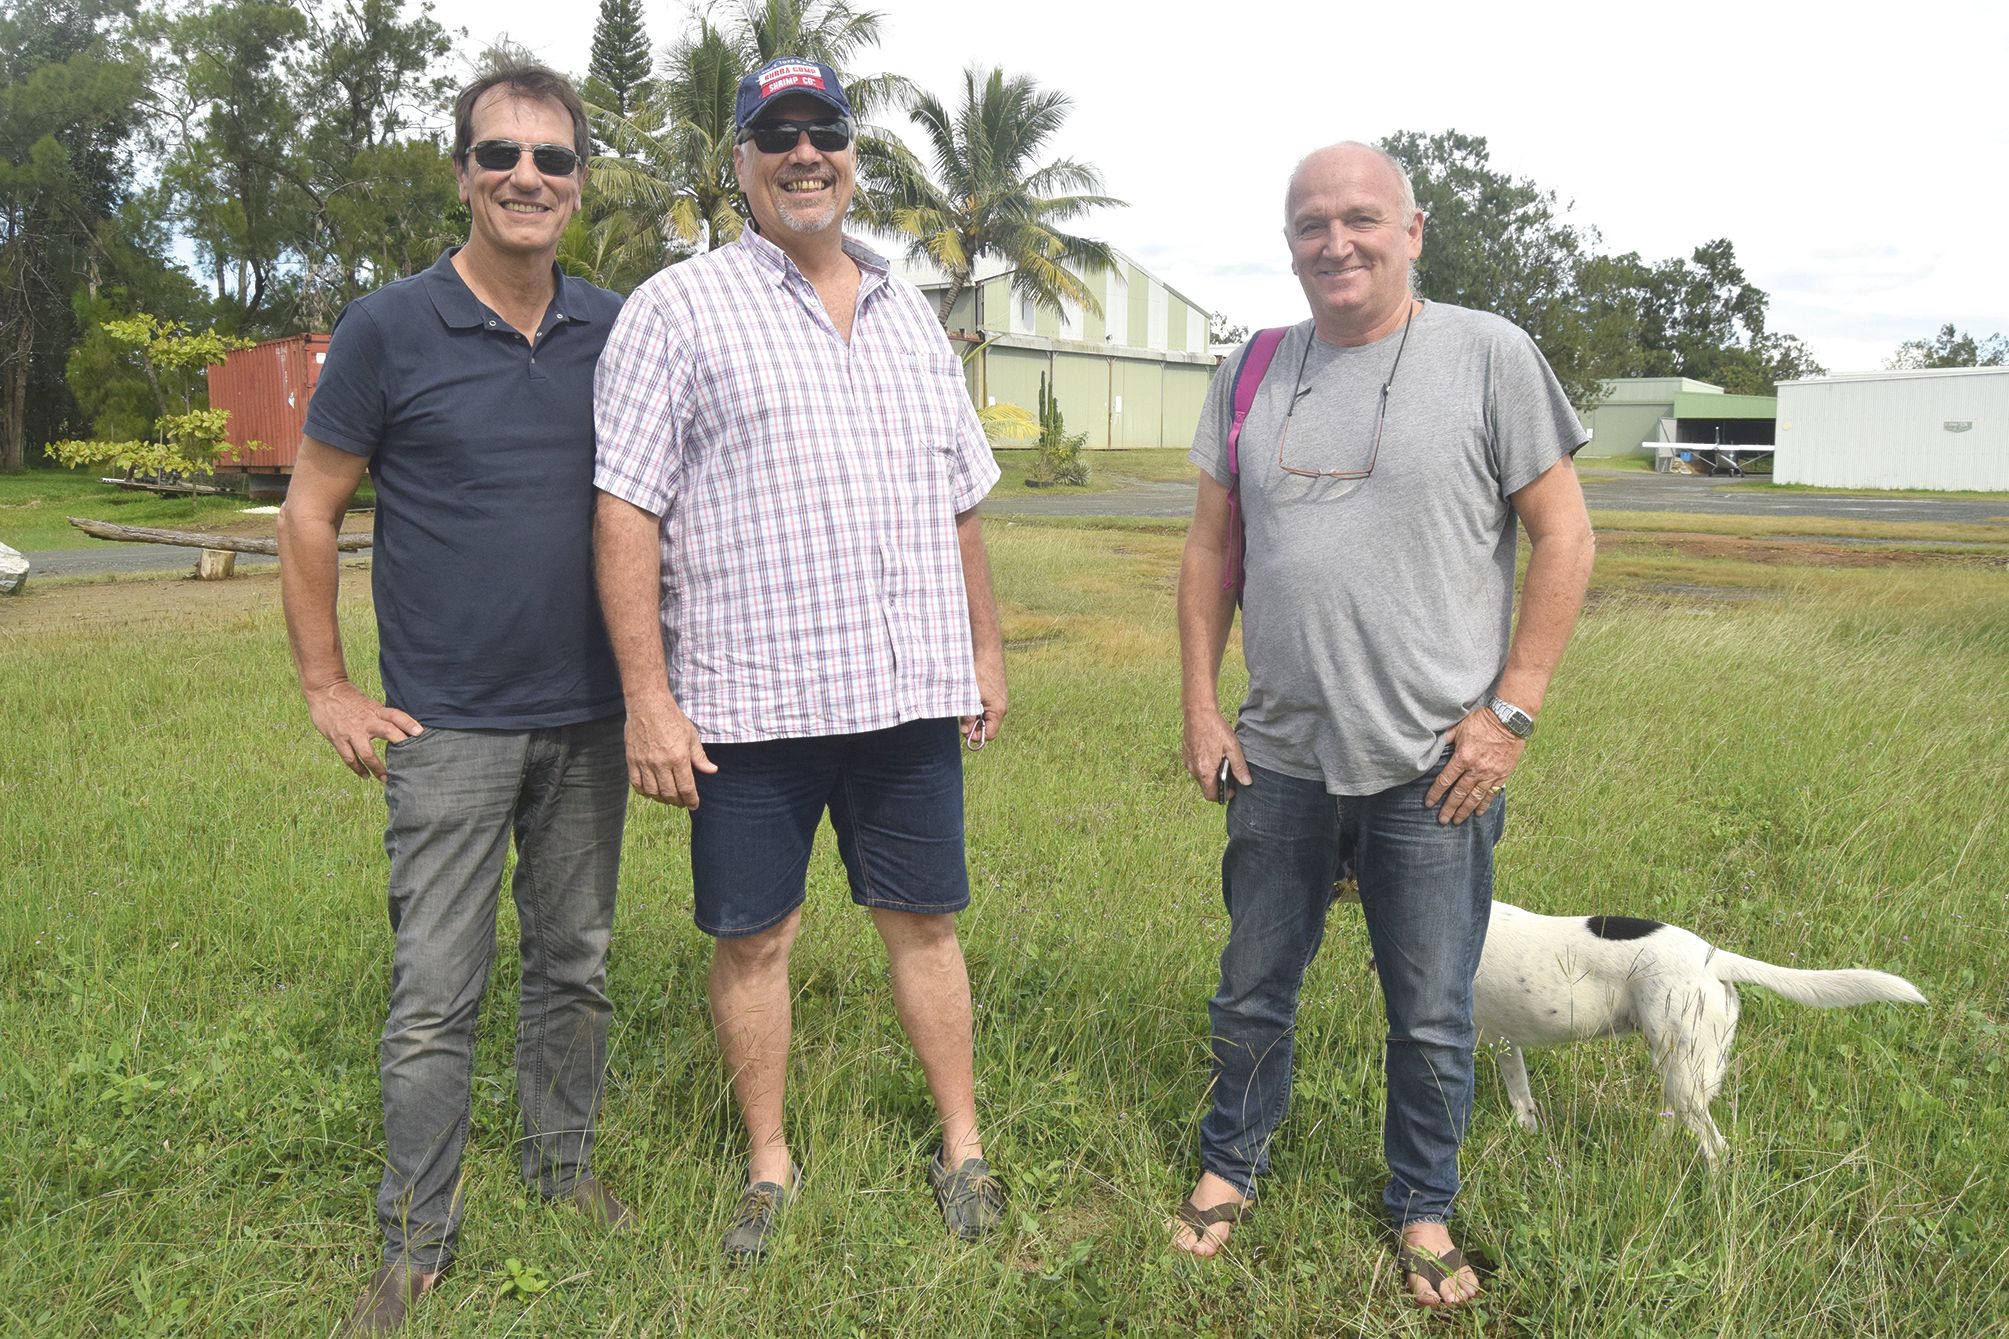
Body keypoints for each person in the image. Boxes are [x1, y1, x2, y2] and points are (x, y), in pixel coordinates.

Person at [591, 56, 1009, 1264]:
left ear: (850, 153)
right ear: (739, 164)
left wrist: (984, 650)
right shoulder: (678, 308)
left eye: (820, 131)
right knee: (752, 938)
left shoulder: (909, 314)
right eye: (774, 136)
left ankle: (961, 1147)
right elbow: (627, 511)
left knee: (924, 923)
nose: (802, 155)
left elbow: (960, 501)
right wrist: (647, 701)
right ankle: (769, 1164)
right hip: (749, 703)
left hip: (905, 696)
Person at [1170, 141, 1596, 1309]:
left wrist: (1511, 709)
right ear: (1289, 243)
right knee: (1252, 981)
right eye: (1311, 224)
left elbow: (1564, 534)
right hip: (1280, 753)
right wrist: (1203, 704)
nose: (1335, 242)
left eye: (1360, 218)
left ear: (1411, 231)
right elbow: (1210, 549)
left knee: (1431, 1006)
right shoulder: (1252, 368)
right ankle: (1229, 1164)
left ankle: (1421, 1203)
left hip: (1433, 765)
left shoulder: (1487, 356)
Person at [276, 61, 632, 1336]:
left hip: (593, 715)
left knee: (574, 962)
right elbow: (311, 509)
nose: (526, 178)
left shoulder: (614, 325)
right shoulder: (388, 327)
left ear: (579, 179)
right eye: (500, 156)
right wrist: (327, 685)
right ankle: (415, 1238)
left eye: (550, 159)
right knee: (436, 987)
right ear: (462, 172)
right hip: (449, 724)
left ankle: (560, 1170)